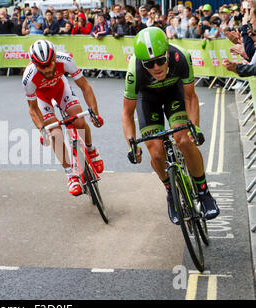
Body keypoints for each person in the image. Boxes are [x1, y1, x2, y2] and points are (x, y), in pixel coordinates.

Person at [122, 27, 220, 224]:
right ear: (142, 63)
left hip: (174, 94)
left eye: (160, 60)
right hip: (147, 100)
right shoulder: (134, 73)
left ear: (167, 52)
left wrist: (195, 128)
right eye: (149, 64)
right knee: (157, 153)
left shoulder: (181, 58)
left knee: (183, 140)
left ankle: (203, 192)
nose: (156, 67)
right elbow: (127, 113)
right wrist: (132, 145)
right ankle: (171, 193)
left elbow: (191, 97)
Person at [22, 40, 104, 196]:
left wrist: (95, 113)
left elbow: (85, 86)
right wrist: (42, 130)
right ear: (34, 64)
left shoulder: (65, 59)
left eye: (49, 64)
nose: (47, 69)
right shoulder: (28, 77)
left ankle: (90, 149)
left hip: (61, 89)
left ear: (54, 59)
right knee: (56, 134)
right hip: (42, 98)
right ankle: (70, 175)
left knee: (79, 120)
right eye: (41, 67)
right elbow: (32, 109)